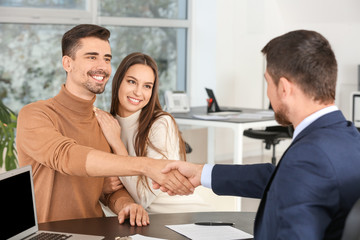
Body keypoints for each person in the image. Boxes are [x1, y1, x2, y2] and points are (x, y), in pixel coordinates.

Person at [156, 30, 360, 239]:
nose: (267, 93)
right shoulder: (349, 137)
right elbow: (283, 178)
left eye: (268, 83)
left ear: (284, 88)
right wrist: (202, 173)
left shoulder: (309, 157)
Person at [16, 24, 193, 226]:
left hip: (97, 233)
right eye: (92, 57)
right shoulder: (36, 114)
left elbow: (110, 190)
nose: (103, 66)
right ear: (67, 63)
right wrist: (146, 166)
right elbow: (66, 156)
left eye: (107, 59)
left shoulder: (104, 123)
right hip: (48, 234)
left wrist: (126, 204)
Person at [95, 52, 211, 214]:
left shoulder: (160, 123)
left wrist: (116, 142)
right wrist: (102, 188)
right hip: (145, 223)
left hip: (184, 217)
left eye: (147, 86)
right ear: (118, 81)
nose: (138, 92)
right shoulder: (108, 123)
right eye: (131, 82)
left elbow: (143, 197)